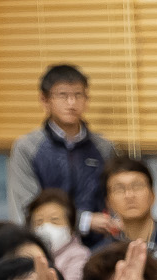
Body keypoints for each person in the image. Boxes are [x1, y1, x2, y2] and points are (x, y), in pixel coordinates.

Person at [7, 63, 113, 223]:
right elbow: (29, 207)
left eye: (78, 95)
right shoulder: (27, 147)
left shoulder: (103, 147)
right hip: (49, 238)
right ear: (45, 100)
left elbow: (111, 199)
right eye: (63, 95)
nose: (71, 103)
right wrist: (84, 222)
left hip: (99, 242)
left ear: (87, 100)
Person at [92, 155, 157, 251]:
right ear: (108, 202)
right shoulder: (102, 256)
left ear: (153, 195)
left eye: (137, 186)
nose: (129, 195)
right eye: (119, 189)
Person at [24, 186, 92, 280]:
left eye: (54, 220)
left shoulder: (79, 255)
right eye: (39, 222)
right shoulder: (25, 255)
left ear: (71, 228)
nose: (46, 227)